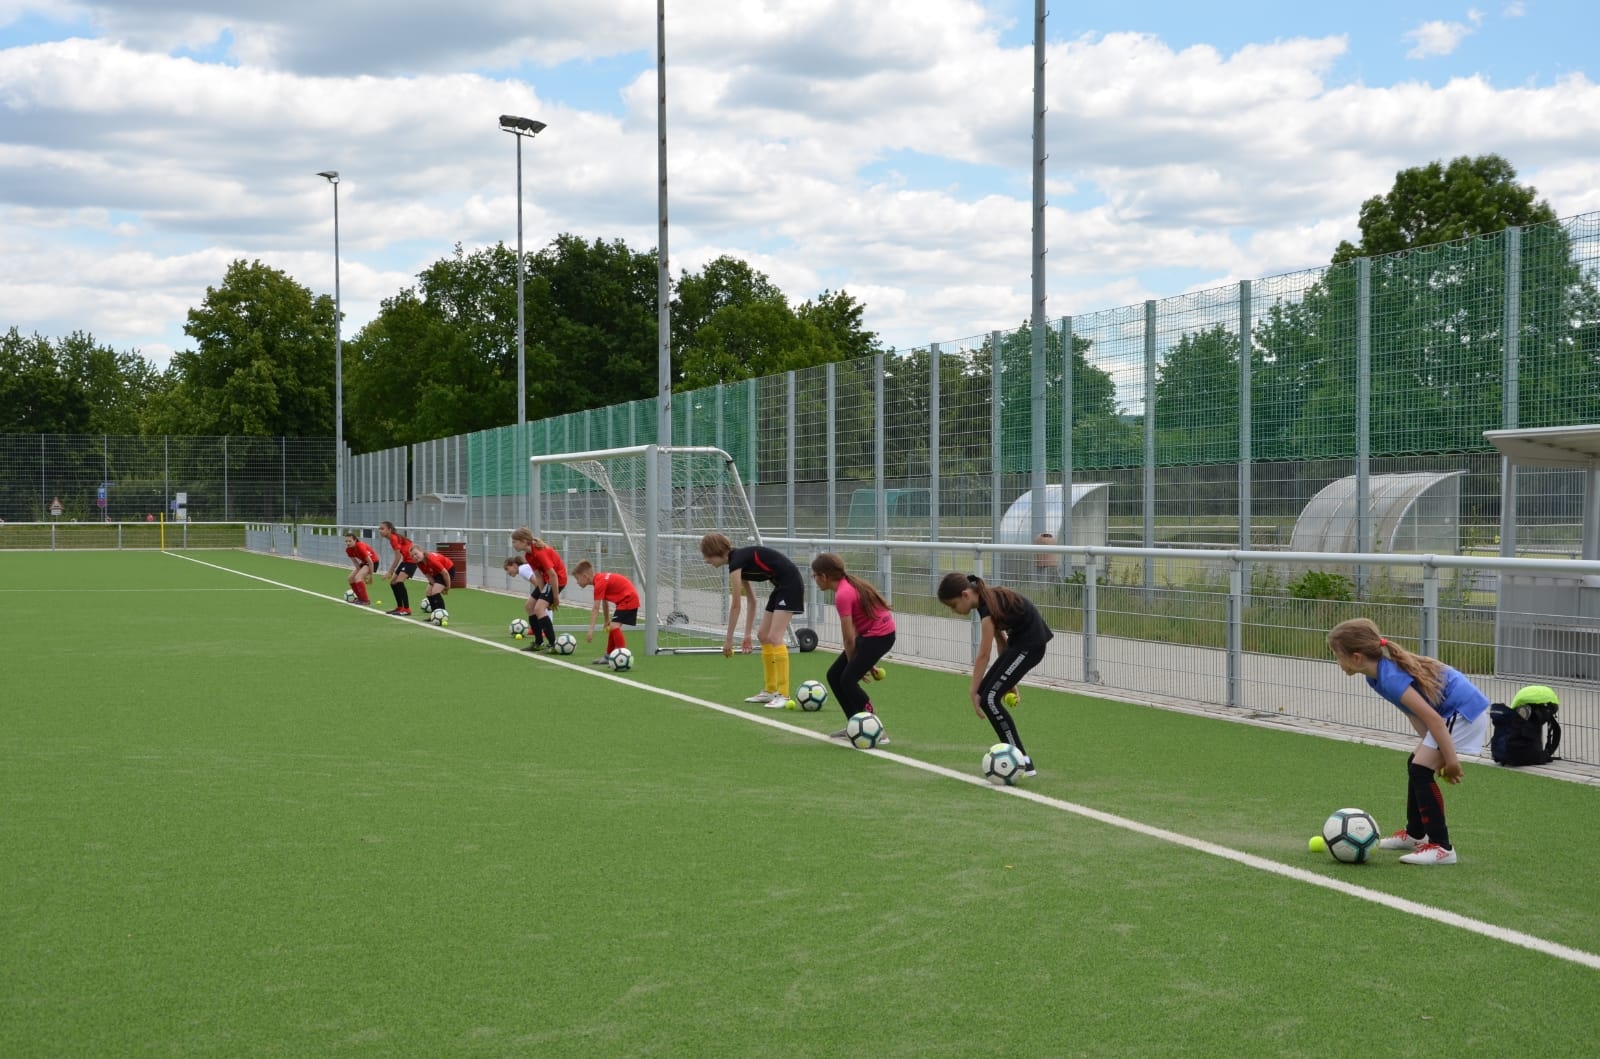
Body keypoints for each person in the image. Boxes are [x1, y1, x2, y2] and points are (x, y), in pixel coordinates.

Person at [1327, 617, 1490, 866]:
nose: (1337, 662)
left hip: (1464, 712)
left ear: (1356, 657)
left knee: (1420, 770)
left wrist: (1451, 761)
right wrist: (1431, 751)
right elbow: (1413, 714)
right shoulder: (1375, 676)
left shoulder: (1389, 677)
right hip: (1449, 715)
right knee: (1416, 764)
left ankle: (1442, 847)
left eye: (1337, 655)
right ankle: (1415, 835)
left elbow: (1434, 720)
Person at [936, 572, 1045, 777]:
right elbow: (1002, 642)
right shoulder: (985, 602)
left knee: (989, 698)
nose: (954, 611)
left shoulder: (987, 608)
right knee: (987, 696)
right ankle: (1019, 757)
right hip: (1018, 646)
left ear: (965, 595)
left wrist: (972, 690)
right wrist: (1009, 681)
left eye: (953, 605)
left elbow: (984, 655)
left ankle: (1022, 760)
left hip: (1030, 646)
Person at [701, 532, 804, 710]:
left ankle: (784, 694)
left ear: (716, 552)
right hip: (781, 587)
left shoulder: (736, 562)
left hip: (790, 585)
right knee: (763, 635)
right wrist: (747, 635)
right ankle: (770, 690)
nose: (706, 561)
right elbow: (752, 601)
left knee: (775, 637)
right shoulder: (738, 561)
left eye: (707, 556)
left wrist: (728, 640)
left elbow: (735, 605)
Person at [810, 553, 895, 742]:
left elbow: (848, 639)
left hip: (880, 637)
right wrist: (862, 662)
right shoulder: (846, 586)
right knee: (834, 675)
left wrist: (854, 663)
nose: (814, 580)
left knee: (848, 679)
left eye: (814, 576)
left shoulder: (843, 594)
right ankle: (854, 725)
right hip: (871, 637)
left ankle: (877, 730)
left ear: (824, 576)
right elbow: (857, 629)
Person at [573, 560, 640, 665]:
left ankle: (623, 657)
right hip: (626, 599)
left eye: (577, 578)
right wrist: (606, 620)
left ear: (585, 576)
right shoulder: (599, 579)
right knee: (612, 627)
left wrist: (590, 630)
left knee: (614, 627)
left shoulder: (599, 583)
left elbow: (595, 609)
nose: (577, 582)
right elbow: (605, 603)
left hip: (628, 599)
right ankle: (608, 656)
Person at [511, 528, 567, 649]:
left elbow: (553, 575)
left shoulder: (540, 553)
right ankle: (538, 643)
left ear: (524, 541)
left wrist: (555, 598)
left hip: (558, 580)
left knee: (539, 609)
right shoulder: (528, 555)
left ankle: (553, 644)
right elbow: (538, 576)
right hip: (547, 581)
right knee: (529, 606)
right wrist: (543, 594)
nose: (513, 544)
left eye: (515, 541)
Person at [503, 555, 555, 651]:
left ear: (514, 565)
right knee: (529, 606)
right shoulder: (523, 569)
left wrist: (544, 597)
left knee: (538, 607)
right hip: (544, 584)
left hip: (546, 584)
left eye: (507, 569)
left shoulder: (522, 569)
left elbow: (537, 582)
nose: (507, 572)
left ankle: (545, 634)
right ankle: (538, 639)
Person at [377, 521, 417, 616]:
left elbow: (398, 556)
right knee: (393, 583)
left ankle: (407, 609)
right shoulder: (393, 538)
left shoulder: (394, 538)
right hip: (406, 561)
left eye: (382, 528)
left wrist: (390, 571)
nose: (380, 531)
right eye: (379, 529)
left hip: (411, 561)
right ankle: (400, 607)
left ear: (389, 530)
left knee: (399, 582)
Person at [410, 544, 454, 616]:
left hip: (448, 570)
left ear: (422, 551)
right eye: (412, 556)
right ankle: (434, 615)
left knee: (435, 592)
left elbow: (445, 573)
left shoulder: (432, 560)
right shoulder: (419, 563)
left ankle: (442, 615)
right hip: (437, 573)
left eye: (416, 554)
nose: (415, 557)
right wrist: (434, 585)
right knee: (428, 592)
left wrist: (447, 587)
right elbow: (429, 576)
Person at [343, 531, 381, 605]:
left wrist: (370, 576)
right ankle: (360, 598)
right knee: (351, 578)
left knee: (358, 578)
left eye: (350, 541)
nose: (348, 543)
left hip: (373, 562)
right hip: (364, 562)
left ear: (355, 540)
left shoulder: (360, 546)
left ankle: (365, 600)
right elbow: (355, 562)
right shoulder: (348, 550)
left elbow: (370, 562)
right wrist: (359, 571)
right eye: (346, 541)